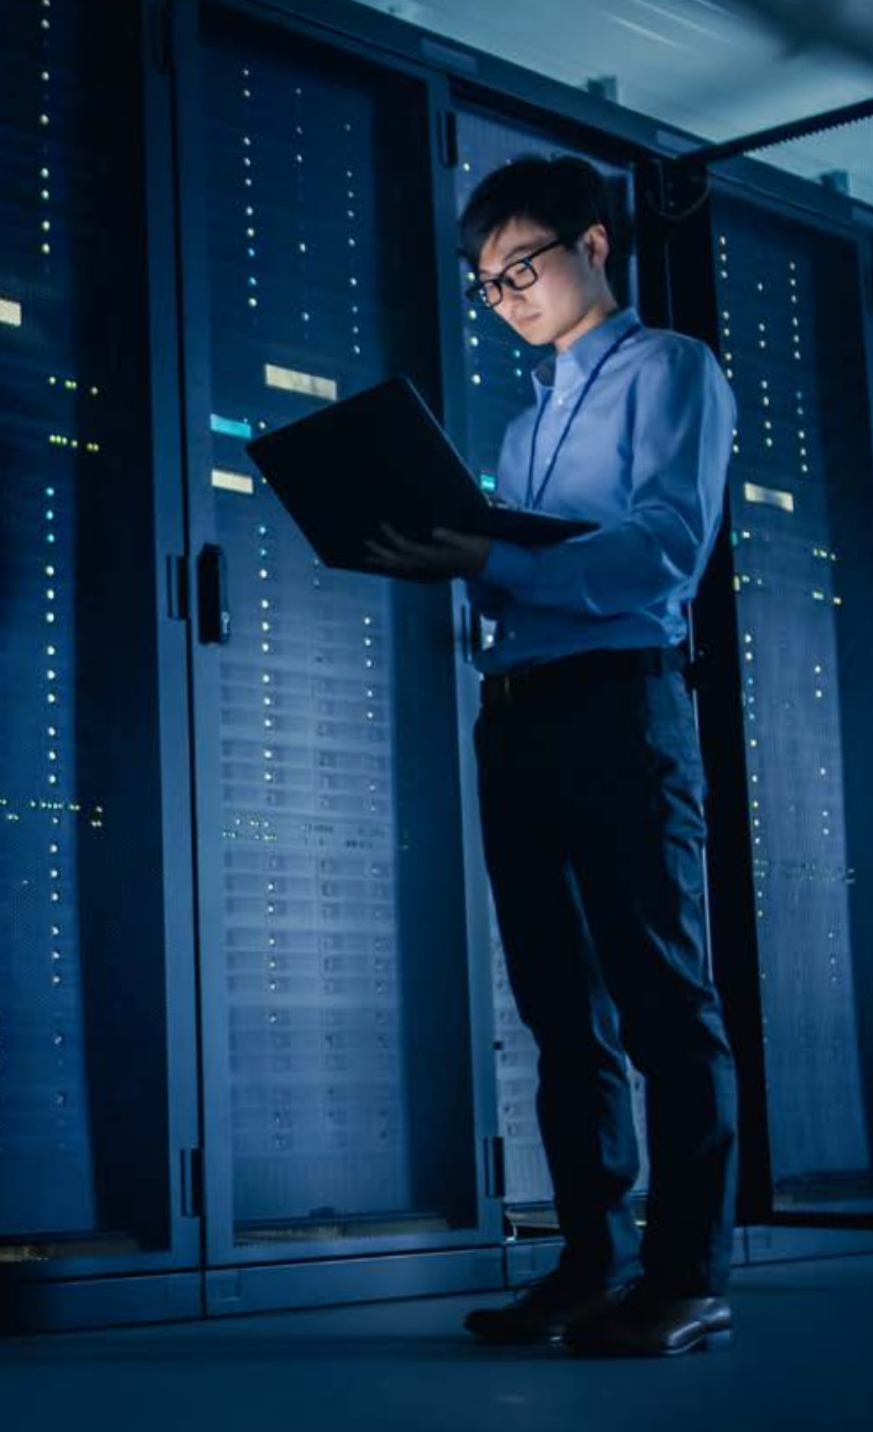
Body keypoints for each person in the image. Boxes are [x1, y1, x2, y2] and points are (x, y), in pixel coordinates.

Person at [363, 154, 740, 1357]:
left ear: (594, 244)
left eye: (521, 265)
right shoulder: (524, 428)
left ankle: (687, 1278)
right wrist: (449, 554)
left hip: (621, 706)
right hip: (518, 713)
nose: (506, 295)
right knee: (560, 1013)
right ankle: (593, 1265)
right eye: (487, 283)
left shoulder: (671, 369)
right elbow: (522, 578)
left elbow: (663, 551)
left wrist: (494, 559)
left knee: (663, 998)